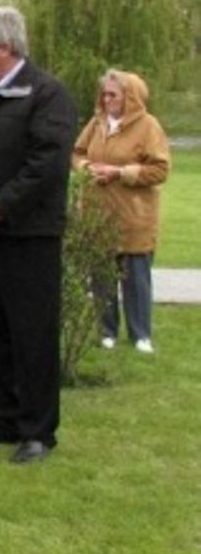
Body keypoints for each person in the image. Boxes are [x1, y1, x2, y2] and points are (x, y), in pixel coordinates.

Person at [0, 6, 78, 464]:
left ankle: (37, 430)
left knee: (31, 332)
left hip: (28, 234)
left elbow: (46, 165)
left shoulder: (47, 95)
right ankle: (1, 419)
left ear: (6, 47)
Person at [72, 69, 170, 354]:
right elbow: (77, 153)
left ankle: (141, 334)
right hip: (98, 212)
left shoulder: (149, 126)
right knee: (101, 275)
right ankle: (107, 331)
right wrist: (88, 169)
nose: (107, 99)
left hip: (134, 215)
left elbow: (160, 168)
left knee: (136, 277)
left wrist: (120, 172)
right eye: (104, 94)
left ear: (130, 96)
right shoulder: (97, 123)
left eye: (113, 94)